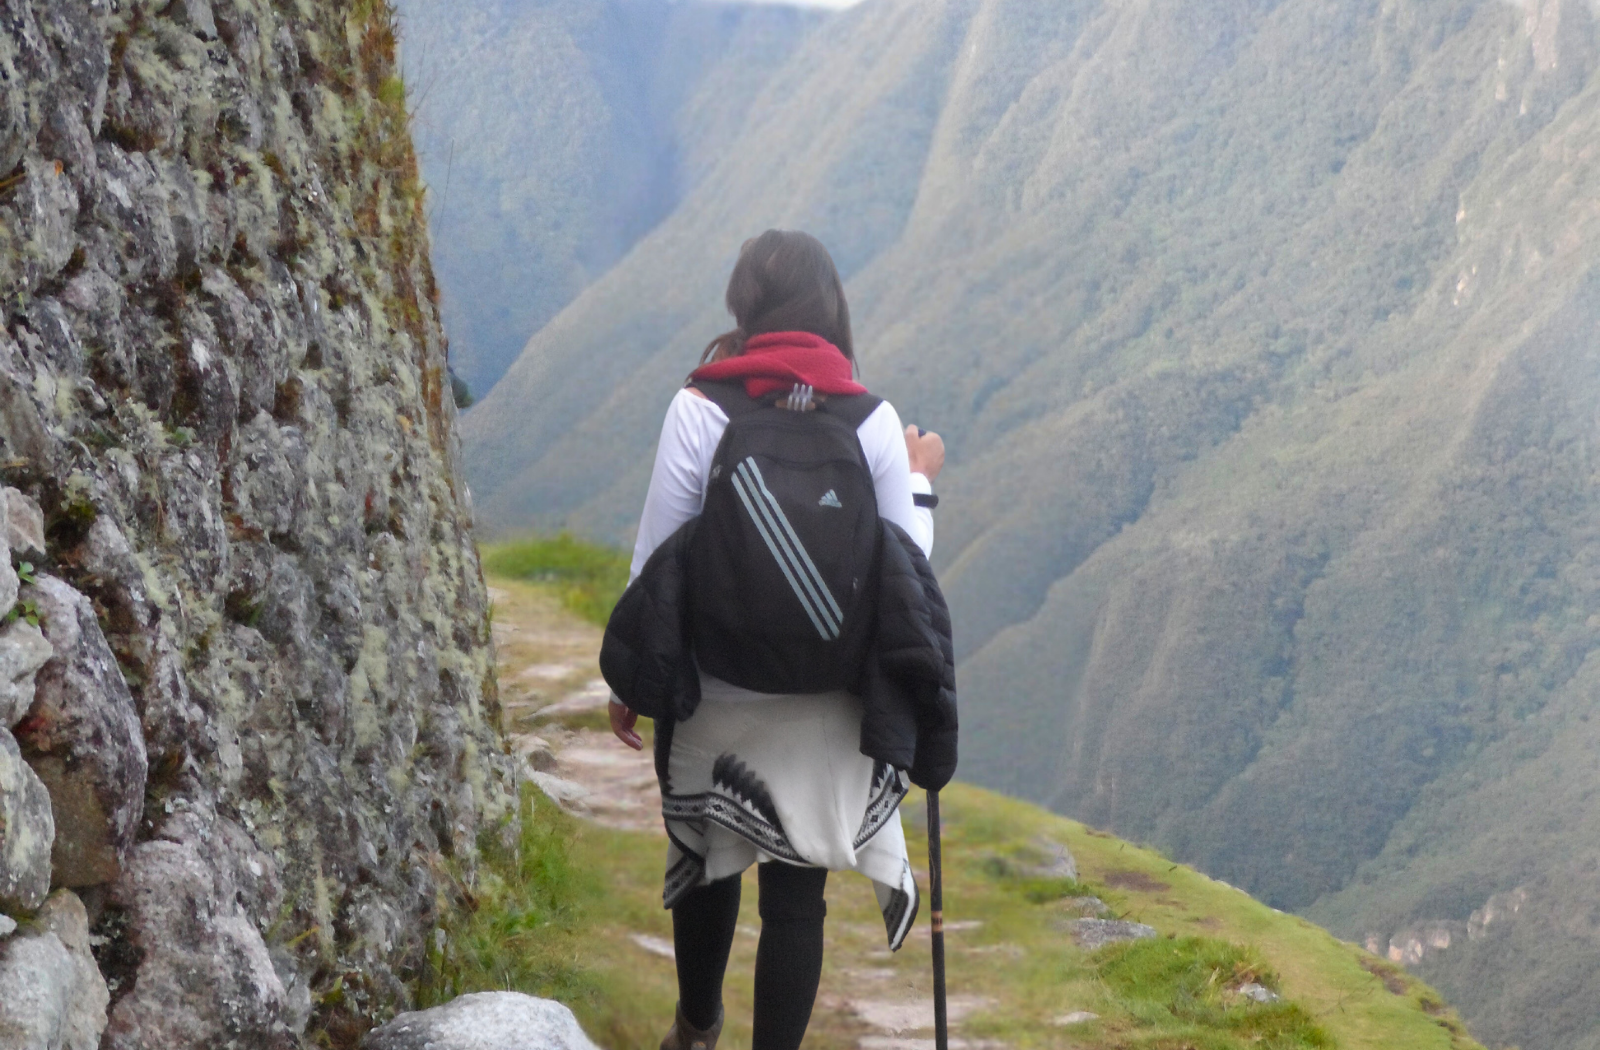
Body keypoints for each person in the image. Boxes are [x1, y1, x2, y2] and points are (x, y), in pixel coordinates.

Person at [605, 229, 950, 1050]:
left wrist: (629, 681)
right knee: (797, 898)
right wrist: (921, 478)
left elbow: (660, 555)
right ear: (831, 307)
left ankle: (697, 1025)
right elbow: (909, 568)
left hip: (715, 689)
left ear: (744, 306)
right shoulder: (873, 421)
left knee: (706, 854)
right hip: (828, 701)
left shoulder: (700, 405)